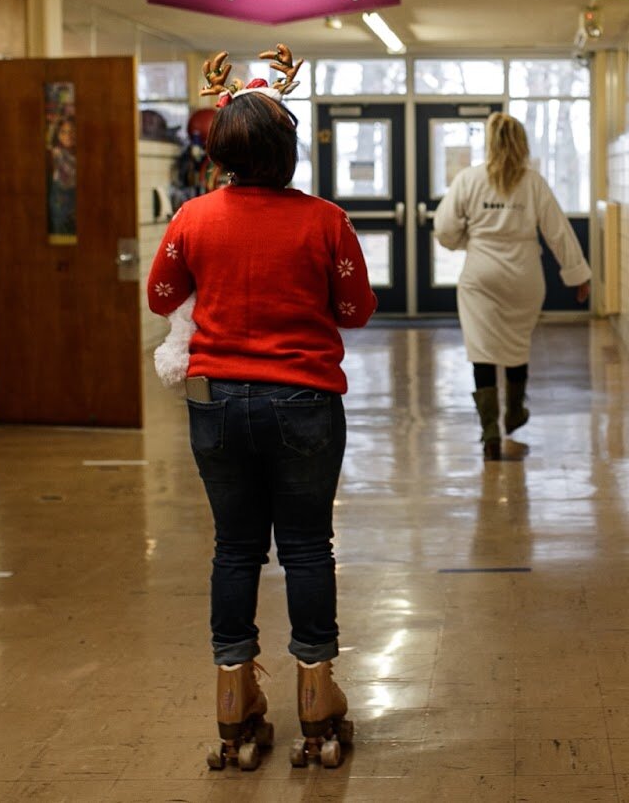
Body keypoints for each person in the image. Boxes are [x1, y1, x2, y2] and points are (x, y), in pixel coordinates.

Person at [147, 47, 374, 771]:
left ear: (219, 152)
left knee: (235, 547)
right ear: (288, 151)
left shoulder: (192, 217)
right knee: (307, 546)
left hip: (214, 402)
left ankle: (234, 697)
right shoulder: (326, 222)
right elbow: (355, 310)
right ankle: (316, 696)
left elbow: (159, 296)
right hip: (304, 399)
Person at [433, 112, 591, 459]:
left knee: (482, 352)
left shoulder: (468, 179)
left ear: (489, 142)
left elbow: (443, 229)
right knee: (517, 344)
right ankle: (515, 412)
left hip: (481, 274)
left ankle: (490, 431)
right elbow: (558, 232)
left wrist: (466, 242)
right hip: (524, 275)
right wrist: (578, 275)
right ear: (522, 143)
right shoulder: (533, 183)